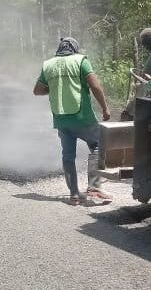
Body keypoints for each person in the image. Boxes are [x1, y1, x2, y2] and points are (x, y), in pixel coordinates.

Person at [33, 37, 113, 206]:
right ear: (74, 49)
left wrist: (55, 88)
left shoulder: (48, 64)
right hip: (82, 117)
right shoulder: (81, 61)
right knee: (98, 146)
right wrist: (105, 108)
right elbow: (95, 86)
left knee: (68, 156)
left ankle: (74, 195)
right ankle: (93, 187)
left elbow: (38, 90)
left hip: (61, 119)